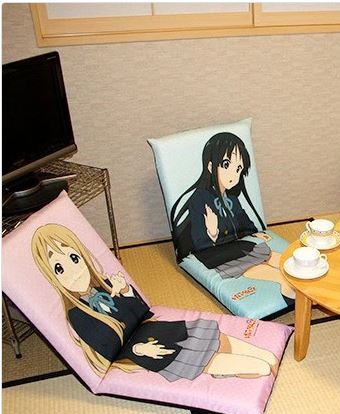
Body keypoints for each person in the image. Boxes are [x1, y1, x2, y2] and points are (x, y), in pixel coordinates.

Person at [32, 223, 279, 381]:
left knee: (264, 355)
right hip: (159, 352)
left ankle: (231, 371)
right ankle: (223, 374)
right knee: (260, 368)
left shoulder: (106, 284)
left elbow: (143, 312)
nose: (73, 270)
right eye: (59, 268)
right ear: (52, 277)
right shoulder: (78, 315)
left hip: (164, 330)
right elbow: (108, 349)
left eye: (74, 258)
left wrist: (125, 291)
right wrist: (139, 350)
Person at [169, 131, 293, 298]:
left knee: (285, 262)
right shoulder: (199, 199)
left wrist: (257, 233)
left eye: (238, 168)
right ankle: (300, 305)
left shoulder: (232, 198)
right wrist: (213, 232)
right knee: (277, 276)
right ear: (211, 167)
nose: (233, 175)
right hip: (219, 257)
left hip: (240, 247)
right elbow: (199, 242)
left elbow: (245, 221)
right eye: (226, 165)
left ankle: (310, 290)